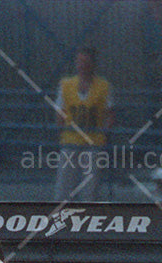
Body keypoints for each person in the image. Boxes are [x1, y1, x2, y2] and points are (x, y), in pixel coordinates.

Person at [53, 46, 113, 201]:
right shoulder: (65, 84)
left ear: (93, 64)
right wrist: (62, 135)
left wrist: (104, 136)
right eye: (79, 61)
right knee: (64, 187)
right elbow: (60, 113)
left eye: (86, 62)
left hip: (94, 142)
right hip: (70, 140)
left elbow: (109, 114)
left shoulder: (104, 86)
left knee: (90, 188)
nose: (82, 65)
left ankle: (88, 212)